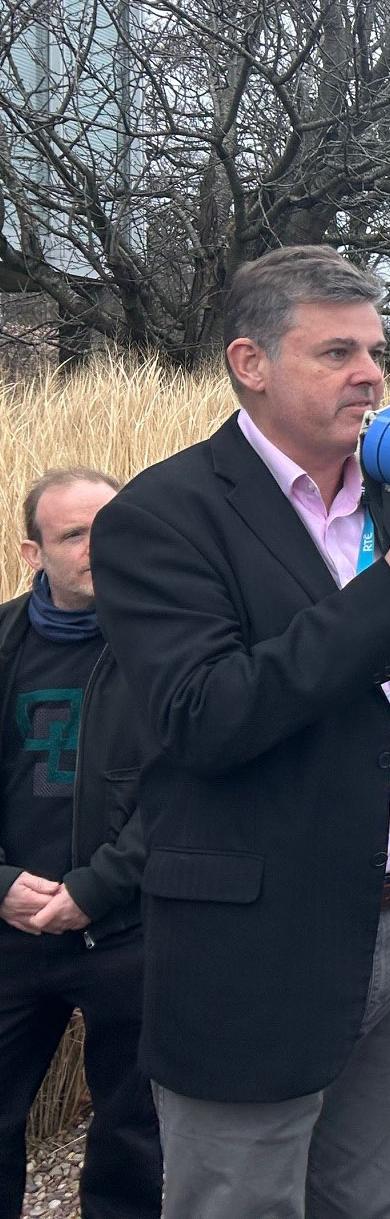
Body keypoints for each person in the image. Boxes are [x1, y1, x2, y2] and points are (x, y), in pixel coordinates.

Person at [89, 245, 390, 1219]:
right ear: (251, 363)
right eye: (336, 352)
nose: (370, 373)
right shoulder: (161, 517)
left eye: (375, 349)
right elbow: (205, 716)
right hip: (262, 945)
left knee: (364, 1204)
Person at [0, 469, 161, 1219]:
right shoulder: (3, 644)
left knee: (133, 1135)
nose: (100, 545)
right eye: (74, 534)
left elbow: (188, 787)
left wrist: (96, 888)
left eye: (111, 524)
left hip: (126, 933)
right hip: (9, 934)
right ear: (32, 551)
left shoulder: (167, 645)